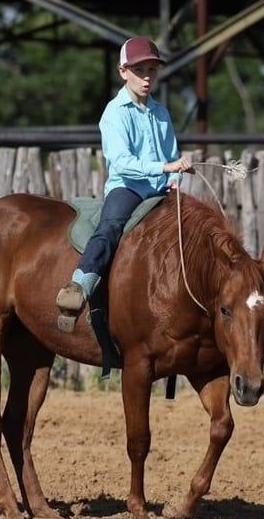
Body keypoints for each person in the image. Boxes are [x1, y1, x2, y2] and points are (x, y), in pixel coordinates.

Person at [56, 36, 193, 317]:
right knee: (110, 227)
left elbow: (171, 152)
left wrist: (175, 180)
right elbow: (122, 162)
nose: (146, 77)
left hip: (161, 190)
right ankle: (79, 286)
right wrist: (165, 168)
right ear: (123, 72)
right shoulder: (114, 114)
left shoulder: (161, 113)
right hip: (128, 188)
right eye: (139, 70)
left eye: (152, 70)